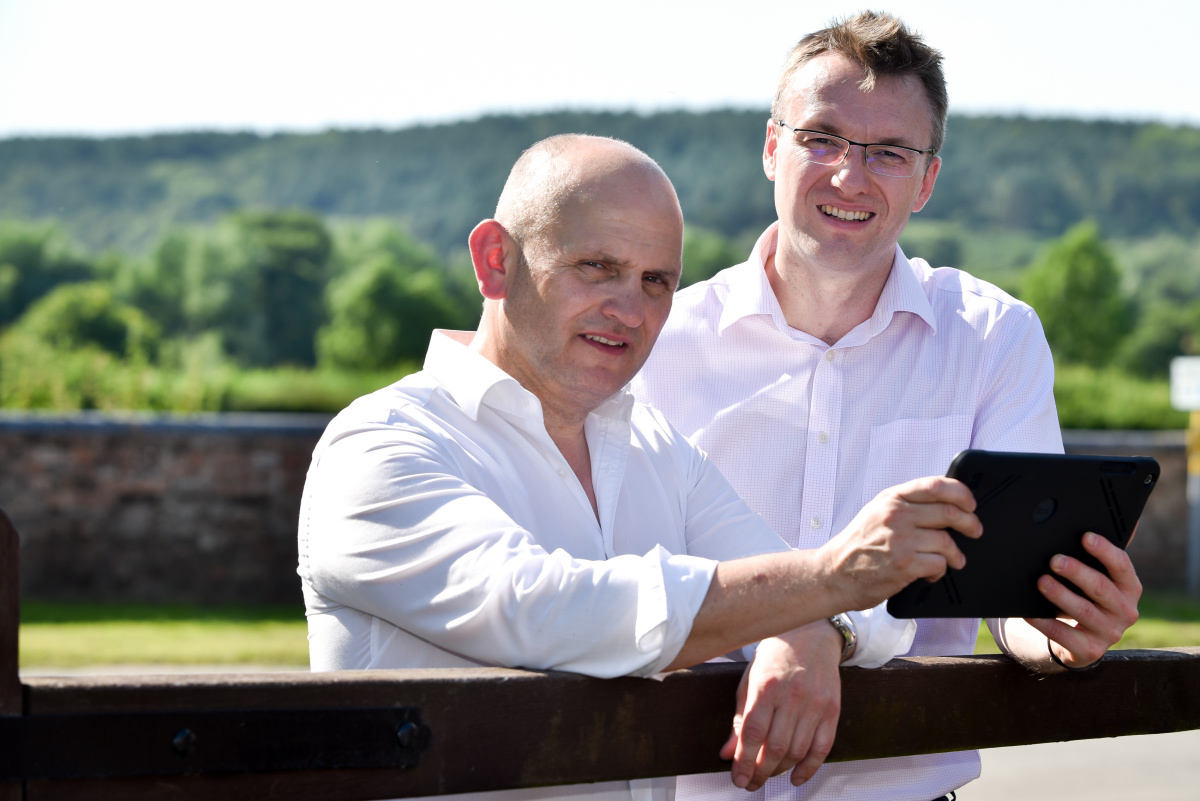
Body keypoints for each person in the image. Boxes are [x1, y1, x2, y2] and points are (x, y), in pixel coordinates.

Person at [298, 133, 984, 801]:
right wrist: (828, 581)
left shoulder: (655, 447)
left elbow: (843, 604)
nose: (630, 311)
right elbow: (548, 611)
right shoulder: (378, 446)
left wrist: (817, 625)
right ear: (495, 261)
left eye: (657, 281)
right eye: (597, 267)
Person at [632, 11, 1142, 801]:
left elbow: (1014, 599)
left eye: (889, 153)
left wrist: (1062, 632)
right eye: (822, 138)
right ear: (771, 148)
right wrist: (803, 621)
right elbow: (619, 578)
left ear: (926, 181)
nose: (849, 176)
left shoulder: (993, 337)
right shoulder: (658, 341)